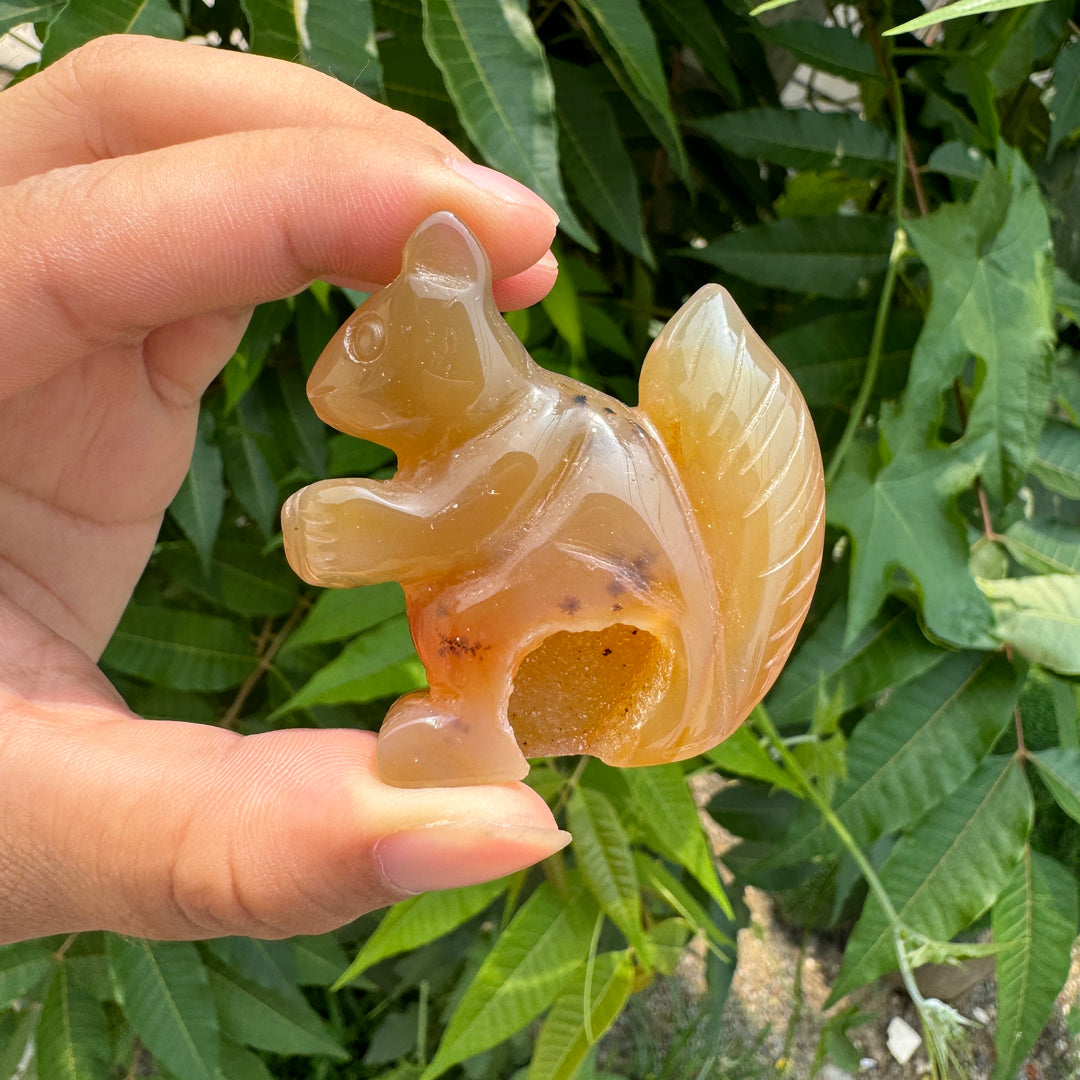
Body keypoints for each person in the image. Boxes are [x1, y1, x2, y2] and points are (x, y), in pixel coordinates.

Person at [0, 33, 570, 945]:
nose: (335, 397)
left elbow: (447, 527)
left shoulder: (527, 438)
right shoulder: (489, 432)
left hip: (589, 584)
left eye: (374, 361)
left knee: (479, 605)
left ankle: (479, 728)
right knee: (462, 611)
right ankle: (469, 718)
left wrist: (361, 531)